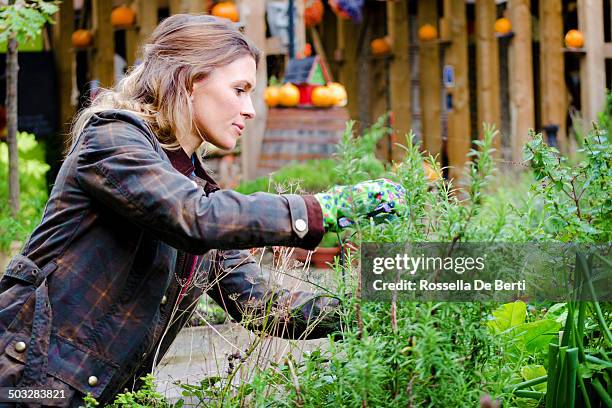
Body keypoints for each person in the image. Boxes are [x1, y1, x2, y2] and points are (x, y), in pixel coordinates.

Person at [0, 14, 406, 407]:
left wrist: (390, 298)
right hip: (26, 386)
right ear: (191, 82)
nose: (249, 109)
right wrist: (324, 209)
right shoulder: (111, 139)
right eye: (240, 89)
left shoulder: (195, 189)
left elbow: (260, 304)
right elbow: (194, 217)